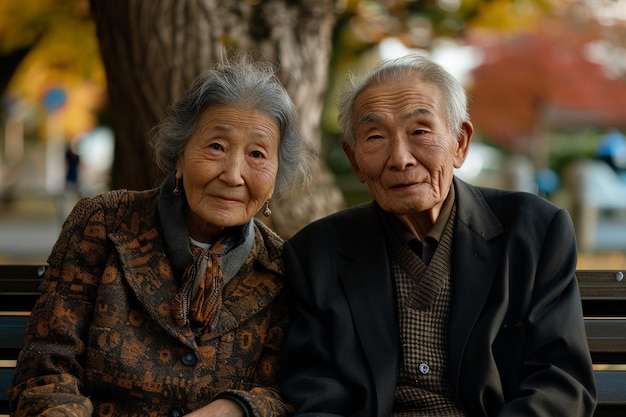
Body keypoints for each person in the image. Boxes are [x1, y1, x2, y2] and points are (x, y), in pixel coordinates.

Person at [279, 53, 596, 417]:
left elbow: (560, 384)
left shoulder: (535, 230)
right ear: (355, 161)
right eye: (376, 136)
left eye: (420, 131)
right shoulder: (317, 253)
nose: (400, 158)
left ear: (460, 142)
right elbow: (316, 394)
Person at [8, 59, 312, 417]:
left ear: (275, 177)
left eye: (257, 154)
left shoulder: (277, 267)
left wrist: (236, 408)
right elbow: (46, 372)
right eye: (216, 146)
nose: (233, 175)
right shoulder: (103, 225)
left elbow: (282, 390)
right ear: (180, 156)